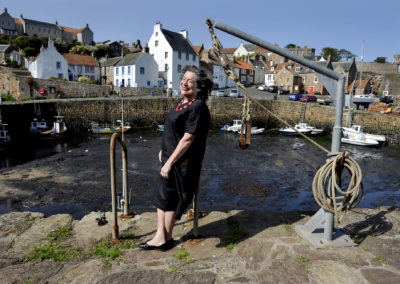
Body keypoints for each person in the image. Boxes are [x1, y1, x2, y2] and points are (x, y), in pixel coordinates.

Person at [139, 65, 212, 251]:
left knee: (170, 199)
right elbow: (175, 131)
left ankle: (163, 239)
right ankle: (162, 236)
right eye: (184, 78)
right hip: (170, 158)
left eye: (190, 81)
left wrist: (170, 161)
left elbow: (188, 138)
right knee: (162, 198)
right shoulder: (182, 102)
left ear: (199, 87)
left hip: (181, 163)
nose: (184, 83)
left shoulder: (197, 106)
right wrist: (163, 152)